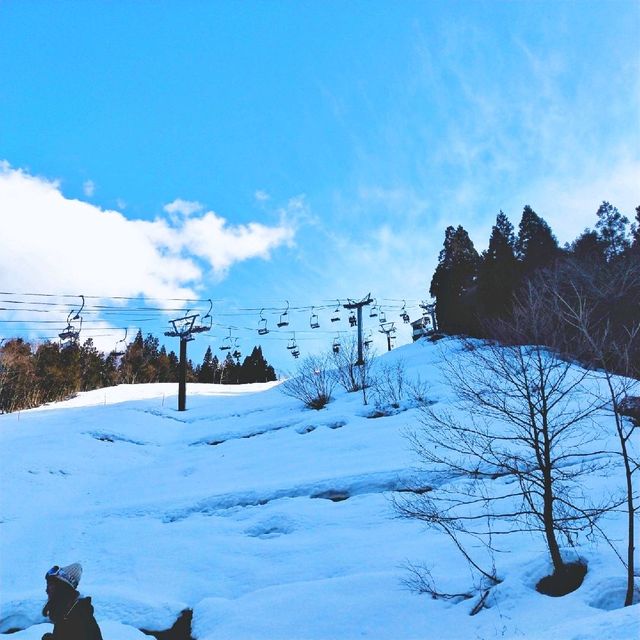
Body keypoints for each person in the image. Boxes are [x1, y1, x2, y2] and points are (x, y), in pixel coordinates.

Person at [41, 562, 103, 640]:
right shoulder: (66, 612)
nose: (47, 590)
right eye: (48, 585)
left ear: (63, 589)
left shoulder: (80, 617)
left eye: (51, 585)